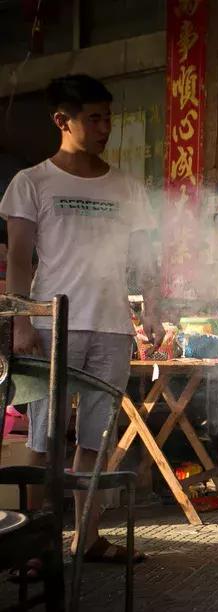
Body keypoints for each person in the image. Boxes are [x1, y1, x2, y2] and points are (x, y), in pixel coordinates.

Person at [0, 74, 161, 564]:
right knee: (44, 439)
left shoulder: (127, 187)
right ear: (61, 120)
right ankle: (34, 543)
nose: (103, 127)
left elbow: (146, 257)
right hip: (52, 325)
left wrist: (152, 310)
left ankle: (85, 538)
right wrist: (22, 321)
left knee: (95, 438)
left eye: (107, 117)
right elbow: (19, 259)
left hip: (112, 325)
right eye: (93, 118)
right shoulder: (32, 182)